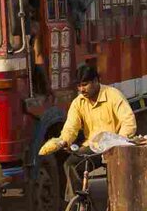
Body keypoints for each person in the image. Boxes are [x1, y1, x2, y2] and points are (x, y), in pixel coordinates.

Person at [38, 64, 137, 199]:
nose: (81, 89)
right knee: (70, 164)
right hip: (92, 148)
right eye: (79, 86)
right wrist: (64, 141)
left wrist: (118, 142)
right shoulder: (78, 103)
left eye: (85, 85)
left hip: (113, 147)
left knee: (119, 181)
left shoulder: (113, 95)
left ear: (96, 81)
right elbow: (71, 127)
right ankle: (80, 203)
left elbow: (129, 122)